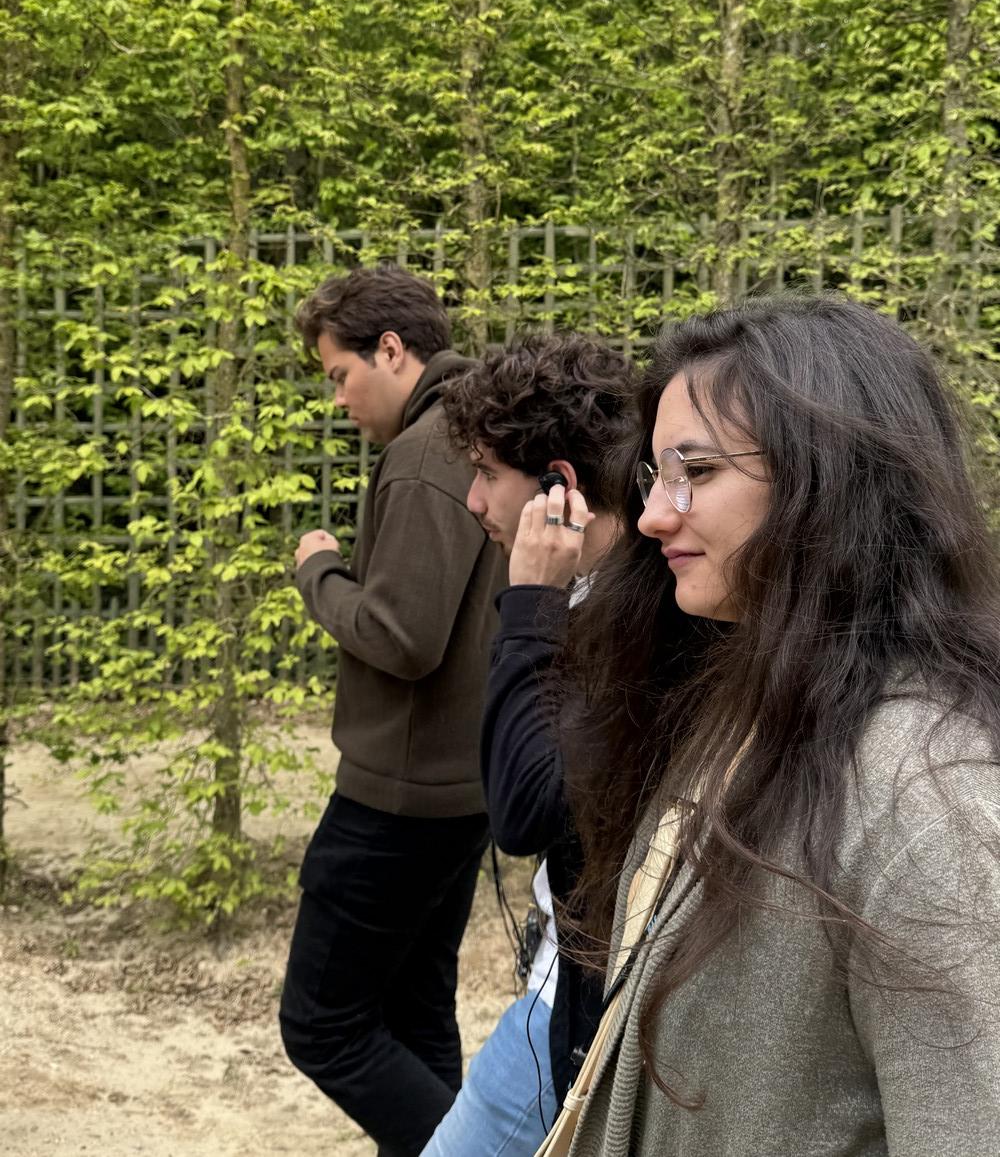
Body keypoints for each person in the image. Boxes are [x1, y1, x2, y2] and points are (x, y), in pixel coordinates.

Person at [545, 292, 1000, 1155]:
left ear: (831, 478)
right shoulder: (751, 707)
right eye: (655, 475)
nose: (653, 514)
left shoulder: (928, 799)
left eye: (698, 470)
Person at [279, 265, 506, 1157]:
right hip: (460, 788)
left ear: (392, 349)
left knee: (322, 1022)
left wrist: (319, 572)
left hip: (398, 797)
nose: (338, 399)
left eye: (341, 375)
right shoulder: (480, 434)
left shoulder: (421, 455)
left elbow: (402, 637)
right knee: (415, 1010)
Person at [421, 334, 634, 1155]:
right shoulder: (599, 593)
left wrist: (531, 605)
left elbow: (521, 810)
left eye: (486, 472)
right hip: (569, 993)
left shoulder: (624, 622)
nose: (473, 499)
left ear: (558, 484)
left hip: (570, 1011)